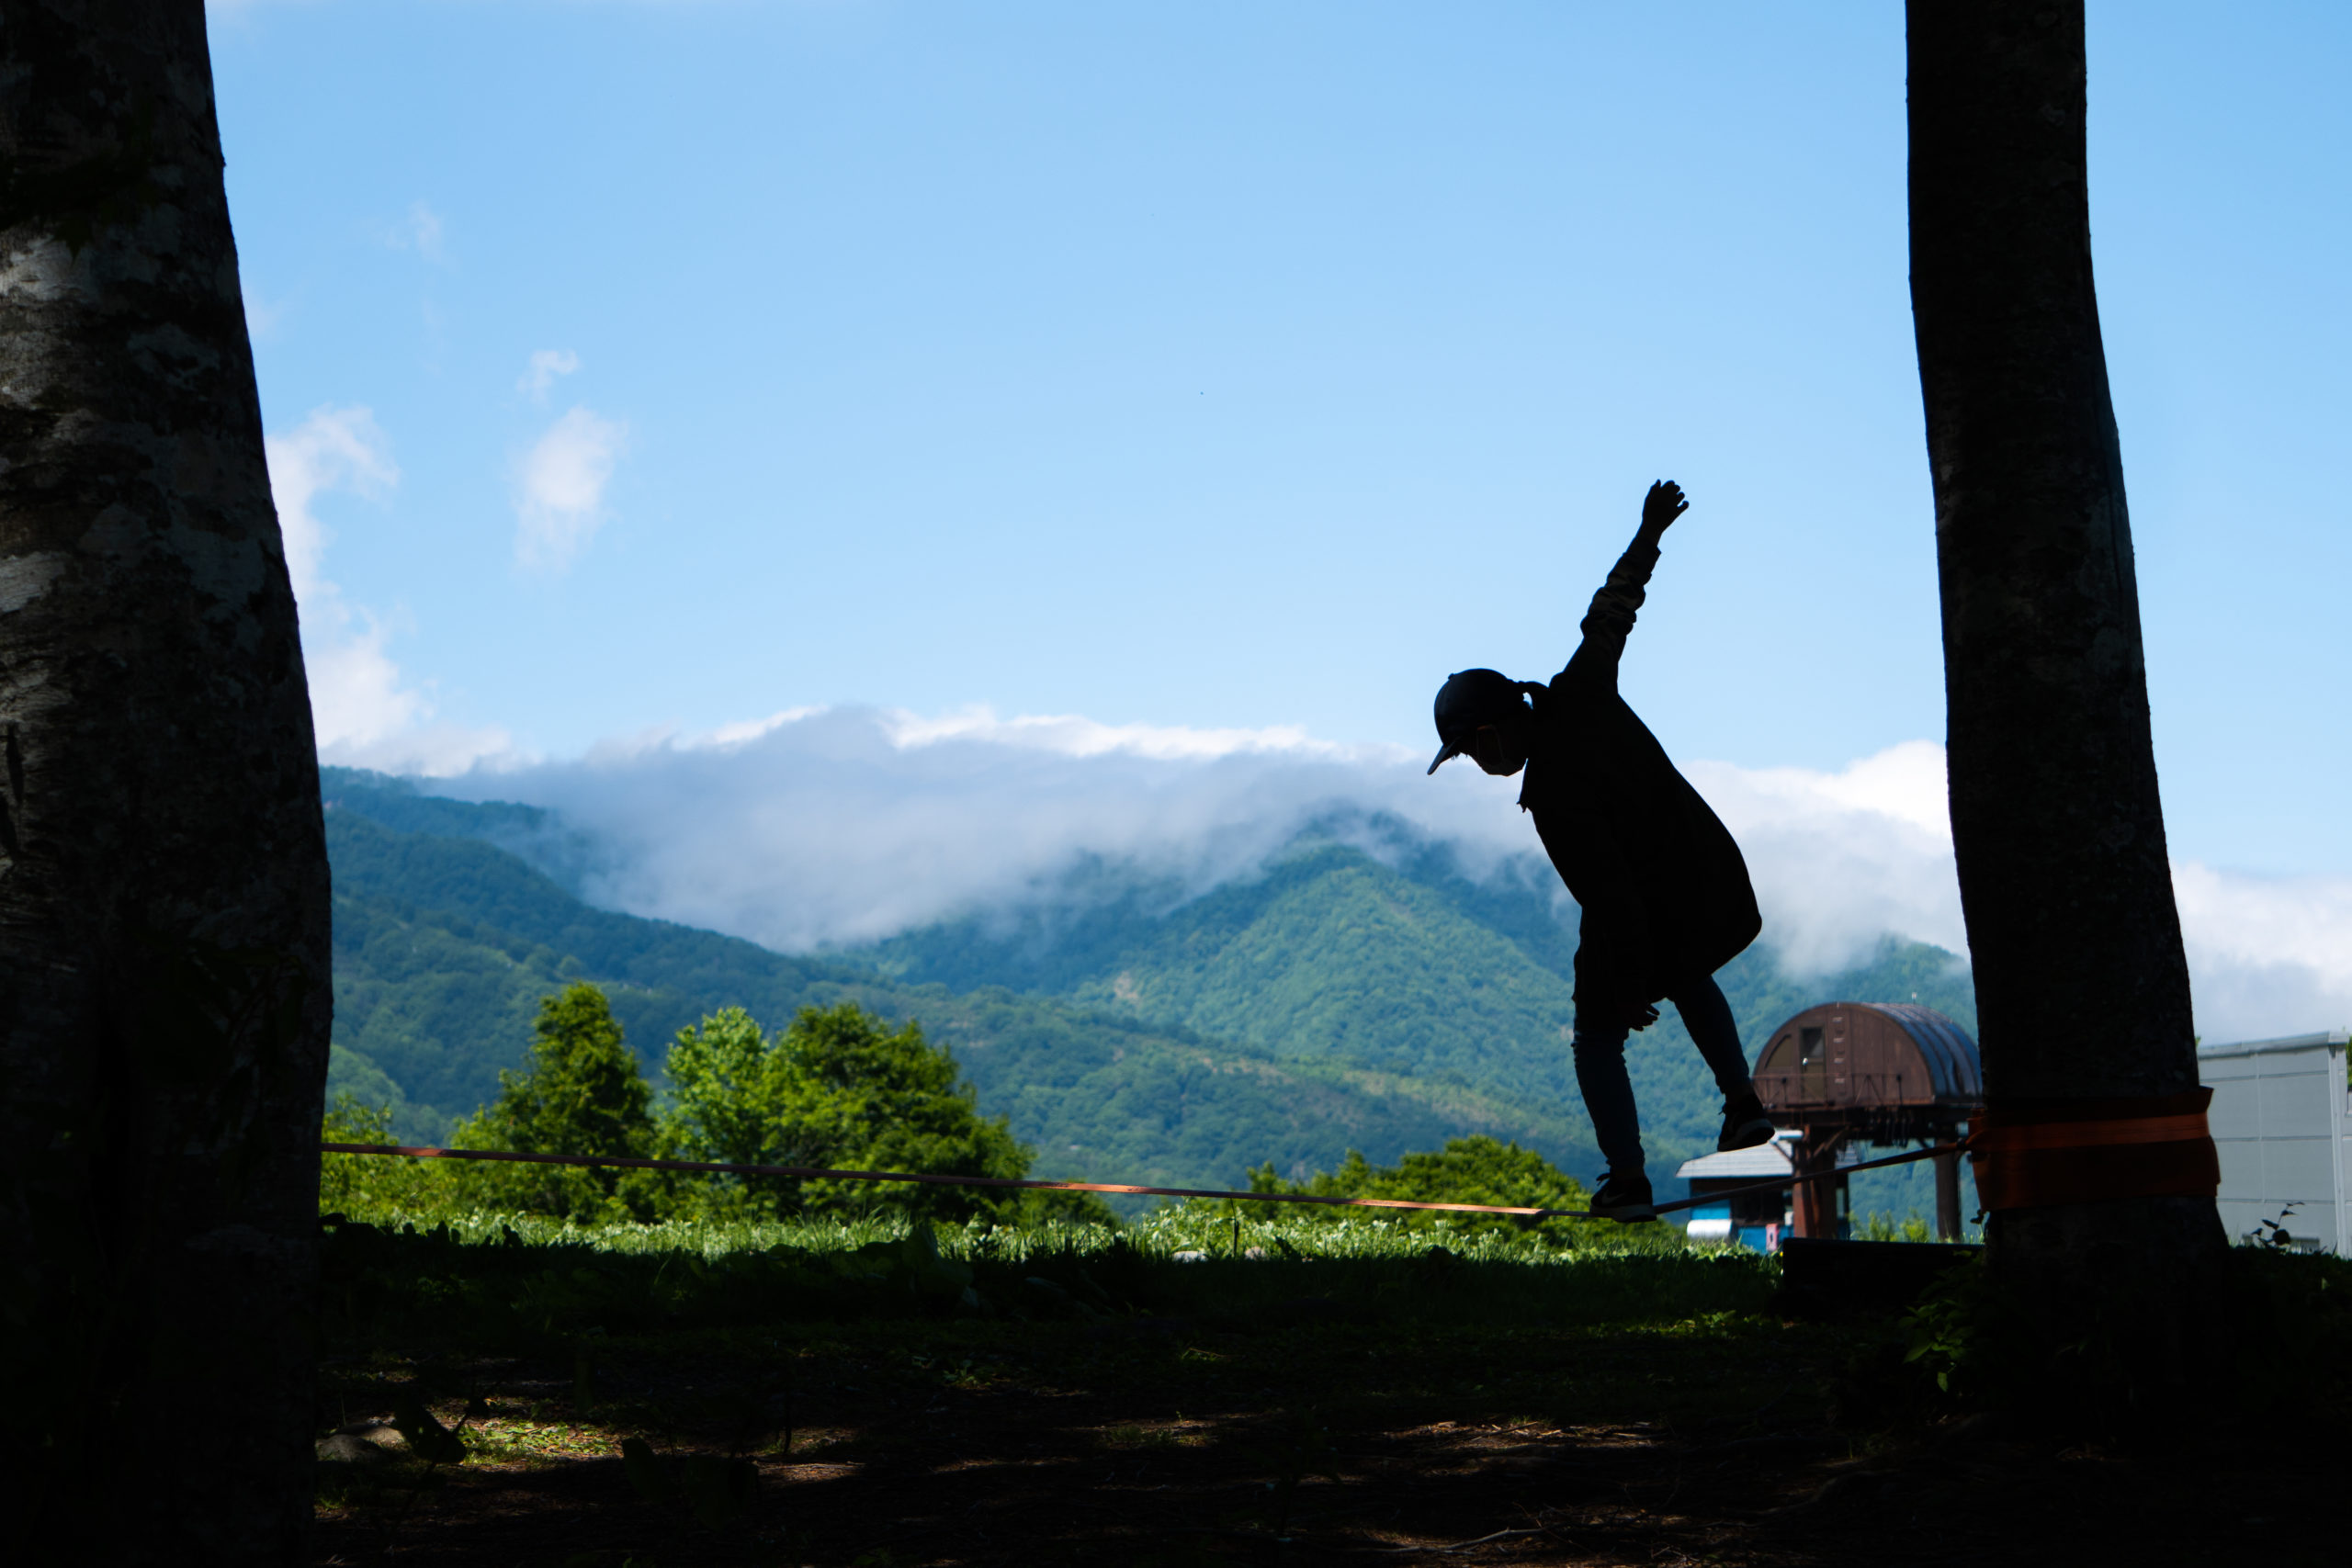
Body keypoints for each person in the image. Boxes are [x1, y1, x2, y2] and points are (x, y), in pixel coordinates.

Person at [1427, 480, 1773, 1222]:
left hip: (1642, 900)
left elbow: (1610, 895)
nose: (1478, 768)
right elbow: (1614, 609)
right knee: (1687, 968)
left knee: (1595, 1036)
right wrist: (1649, 533)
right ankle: (1743, 1102)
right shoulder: (1580, 689)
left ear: (1490, 735)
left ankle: (1627, 1179)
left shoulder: (1552, 793)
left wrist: (1626, 985)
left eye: (1469, 753)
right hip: (1701, 866)